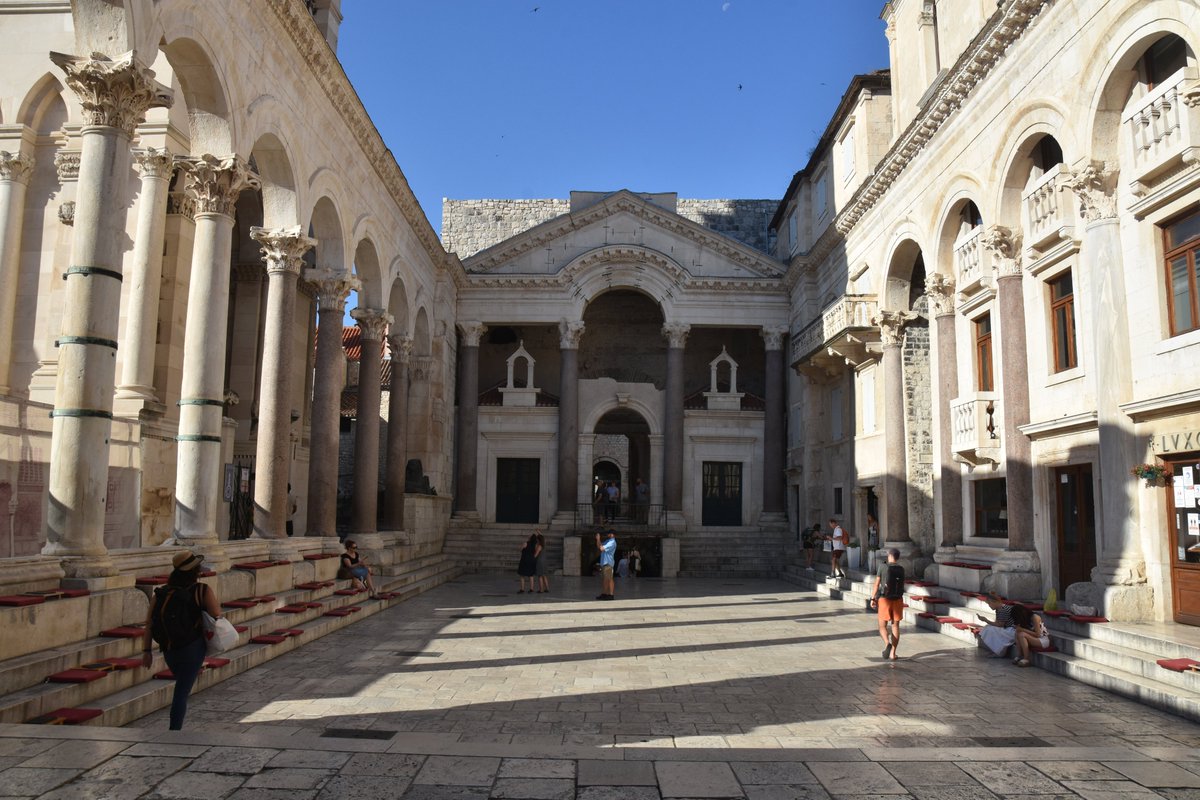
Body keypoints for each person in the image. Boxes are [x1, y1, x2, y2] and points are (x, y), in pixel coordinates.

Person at [141, 550, 223, 730]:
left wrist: (147, 651)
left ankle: (175, 726)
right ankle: (174, 730)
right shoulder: (201, 590)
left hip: (169, 648)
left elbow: (149, 624)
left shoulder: (161, 593)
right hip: (192, 646)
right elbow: (216, 613)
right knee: (181, 692)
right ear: (195, 571)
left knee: (182, 684)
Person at [870, 548, 905, 660]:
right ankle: (893, 653)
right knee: (895, 626)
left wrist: (872, 598)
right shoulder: (901, 569)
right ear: (898, 557)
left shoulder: (883, 567)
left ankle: (887, 643)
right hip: (898, 599)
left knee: (882, 626)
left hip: (885, 599)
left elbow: (876, 584)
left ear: (889, 556)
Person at [596, 528, 617, 600]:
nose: (607, 534)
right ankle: (605, 593)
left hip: (608, 563)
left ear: (612, 534)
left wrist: (598, 538)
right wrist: (598, 540)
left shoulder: (612, 542)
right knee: (605, 579)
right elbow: (599, 546)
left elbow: (602, 549)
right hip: (605, 563)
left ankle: (611, 594)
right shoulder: (608, 541)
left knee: (609, 579)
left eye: (609, 533)